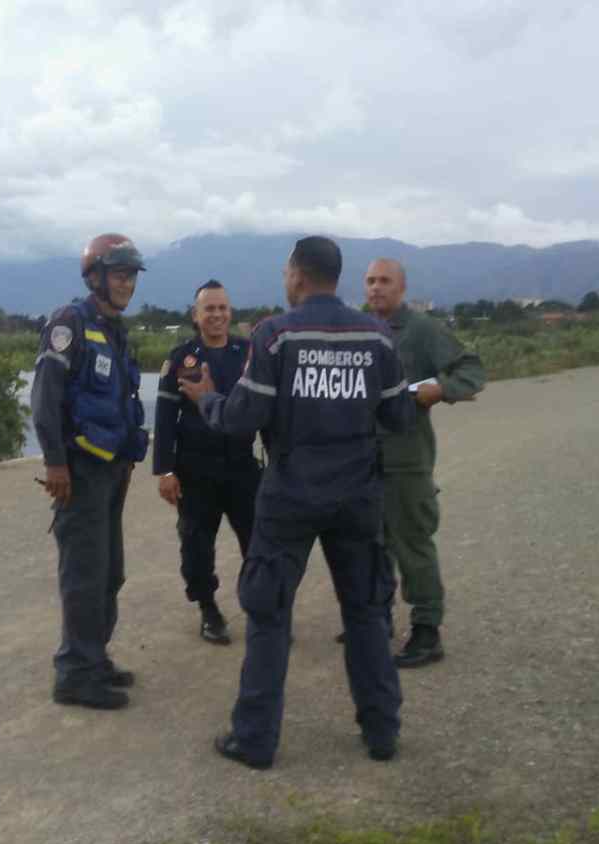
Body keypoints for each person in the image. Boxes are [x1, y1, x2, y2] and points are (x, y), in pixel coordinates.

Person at [178, 236, 415, 768]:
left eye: (286, 273)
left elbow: (242, 418)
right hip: (357, 496)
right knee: (367, 613)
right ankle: (382, 733)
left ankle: (255, 739)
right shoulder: (376, 335)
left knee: (268, 614)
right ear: (337, 276)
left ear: (297, 276)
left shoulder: (275, 335)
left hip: (289, 497)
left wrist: (206, 400)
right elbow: (398, 417)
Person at [31, 233, 150, 710]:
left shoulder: (115, 330)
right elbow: (44, 400)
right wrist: (55, 462)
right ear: (96, 276)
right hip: (78, 472)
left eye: (131, 276)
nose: (127, 284)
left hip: (112, 470)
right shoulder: (70, 324)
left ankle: (93, 657)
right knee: (83, 573)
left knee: (109, 573)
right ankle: (74, 674)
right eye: (120, 274)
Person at [363, 259, 486, 667]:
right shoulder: (361, 330)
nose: (376, 288)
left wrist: (440, 388)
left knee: (412, 544)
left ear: (401, 288)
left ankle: (427, 630)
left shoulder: (422, 331)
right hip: (363, 461)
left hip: (405, 460)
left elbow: (471, 369)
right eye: (370, 281)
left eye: (384, 281)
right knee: (371, 545)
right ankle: (375, 620)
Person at [153, 280, 262, 645]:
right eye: (209, 309)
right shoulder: (182, 358)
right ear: (196, 315)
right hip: (196, 469)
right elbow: (165, 418)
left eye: (222, 308)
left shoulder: (249, 353)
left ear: (230, 313)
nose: (216, 315)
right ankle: (208, 609)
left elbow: (265, 407)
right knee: (197, 545)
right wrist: (165, 470)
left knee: (258, 543)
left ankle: (261, 609)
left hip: (242, 466)